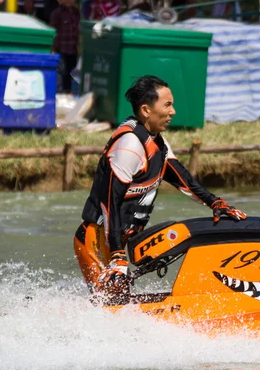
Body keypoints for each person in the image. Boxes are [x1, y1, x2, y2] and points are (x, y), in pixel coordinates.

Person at [74, 75, 247, 305]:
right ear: (146, 110)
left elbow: (184, 180)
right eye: (167, 105)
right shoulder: (130, 146)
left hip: (117, 242)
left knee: (120, 301)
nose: (173, 111)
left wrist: (215, 203)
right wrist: (116, 255)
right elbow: (110, 202)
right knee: (109, 305)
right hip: (97, 240)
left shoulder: (158, 144)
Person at [50, 0, 80, 93]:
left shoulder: (77, 13)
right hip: (60, 49)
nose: (68, 0)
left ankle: (68, 93)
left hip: (73, 49)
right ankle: (58, 93)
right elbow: (52, 31)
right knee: (60, 72)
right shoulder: (57, 13)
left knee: (71, 72)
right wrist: (52, 48)